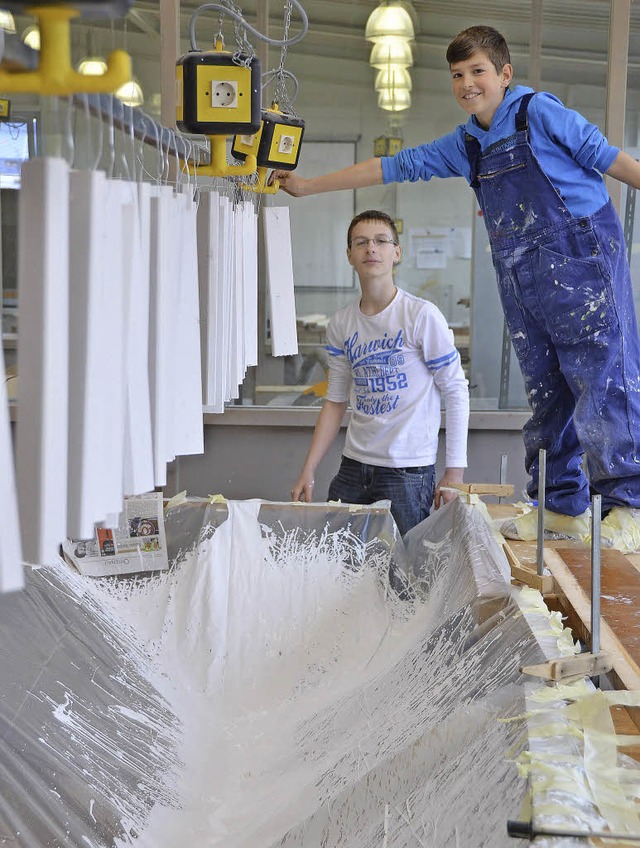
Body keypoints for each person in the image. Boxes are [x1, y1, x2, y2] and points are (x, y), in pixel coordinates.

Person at [275, 25, 640, 554]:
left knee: (602, 378)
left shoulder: (538, 112)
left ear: (504, 74)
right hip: (521, 274)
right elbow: (392, 164)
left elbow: (605, 157)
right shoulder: (467, 143)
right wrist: (307, 187)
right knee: (546, 389)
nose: (468, 84)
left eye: (478, 72)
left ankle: (629, 507)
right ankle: (563, 507)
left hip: (581, 261)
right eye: (457, 75)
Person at [290, 209, 469, 537]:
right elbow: (334, 401)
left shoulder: (421, 316)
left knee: (403, 575)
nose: (371, 248)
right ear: (349, 255)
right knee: (338, 564)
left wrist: (454, 471)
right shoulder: (342, 323)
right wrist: (309, 468)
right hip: (353, 467)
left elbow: (456, 390)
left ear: (396, 253)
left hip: (408, 472)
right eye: (361, 242)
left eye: (381, 241)